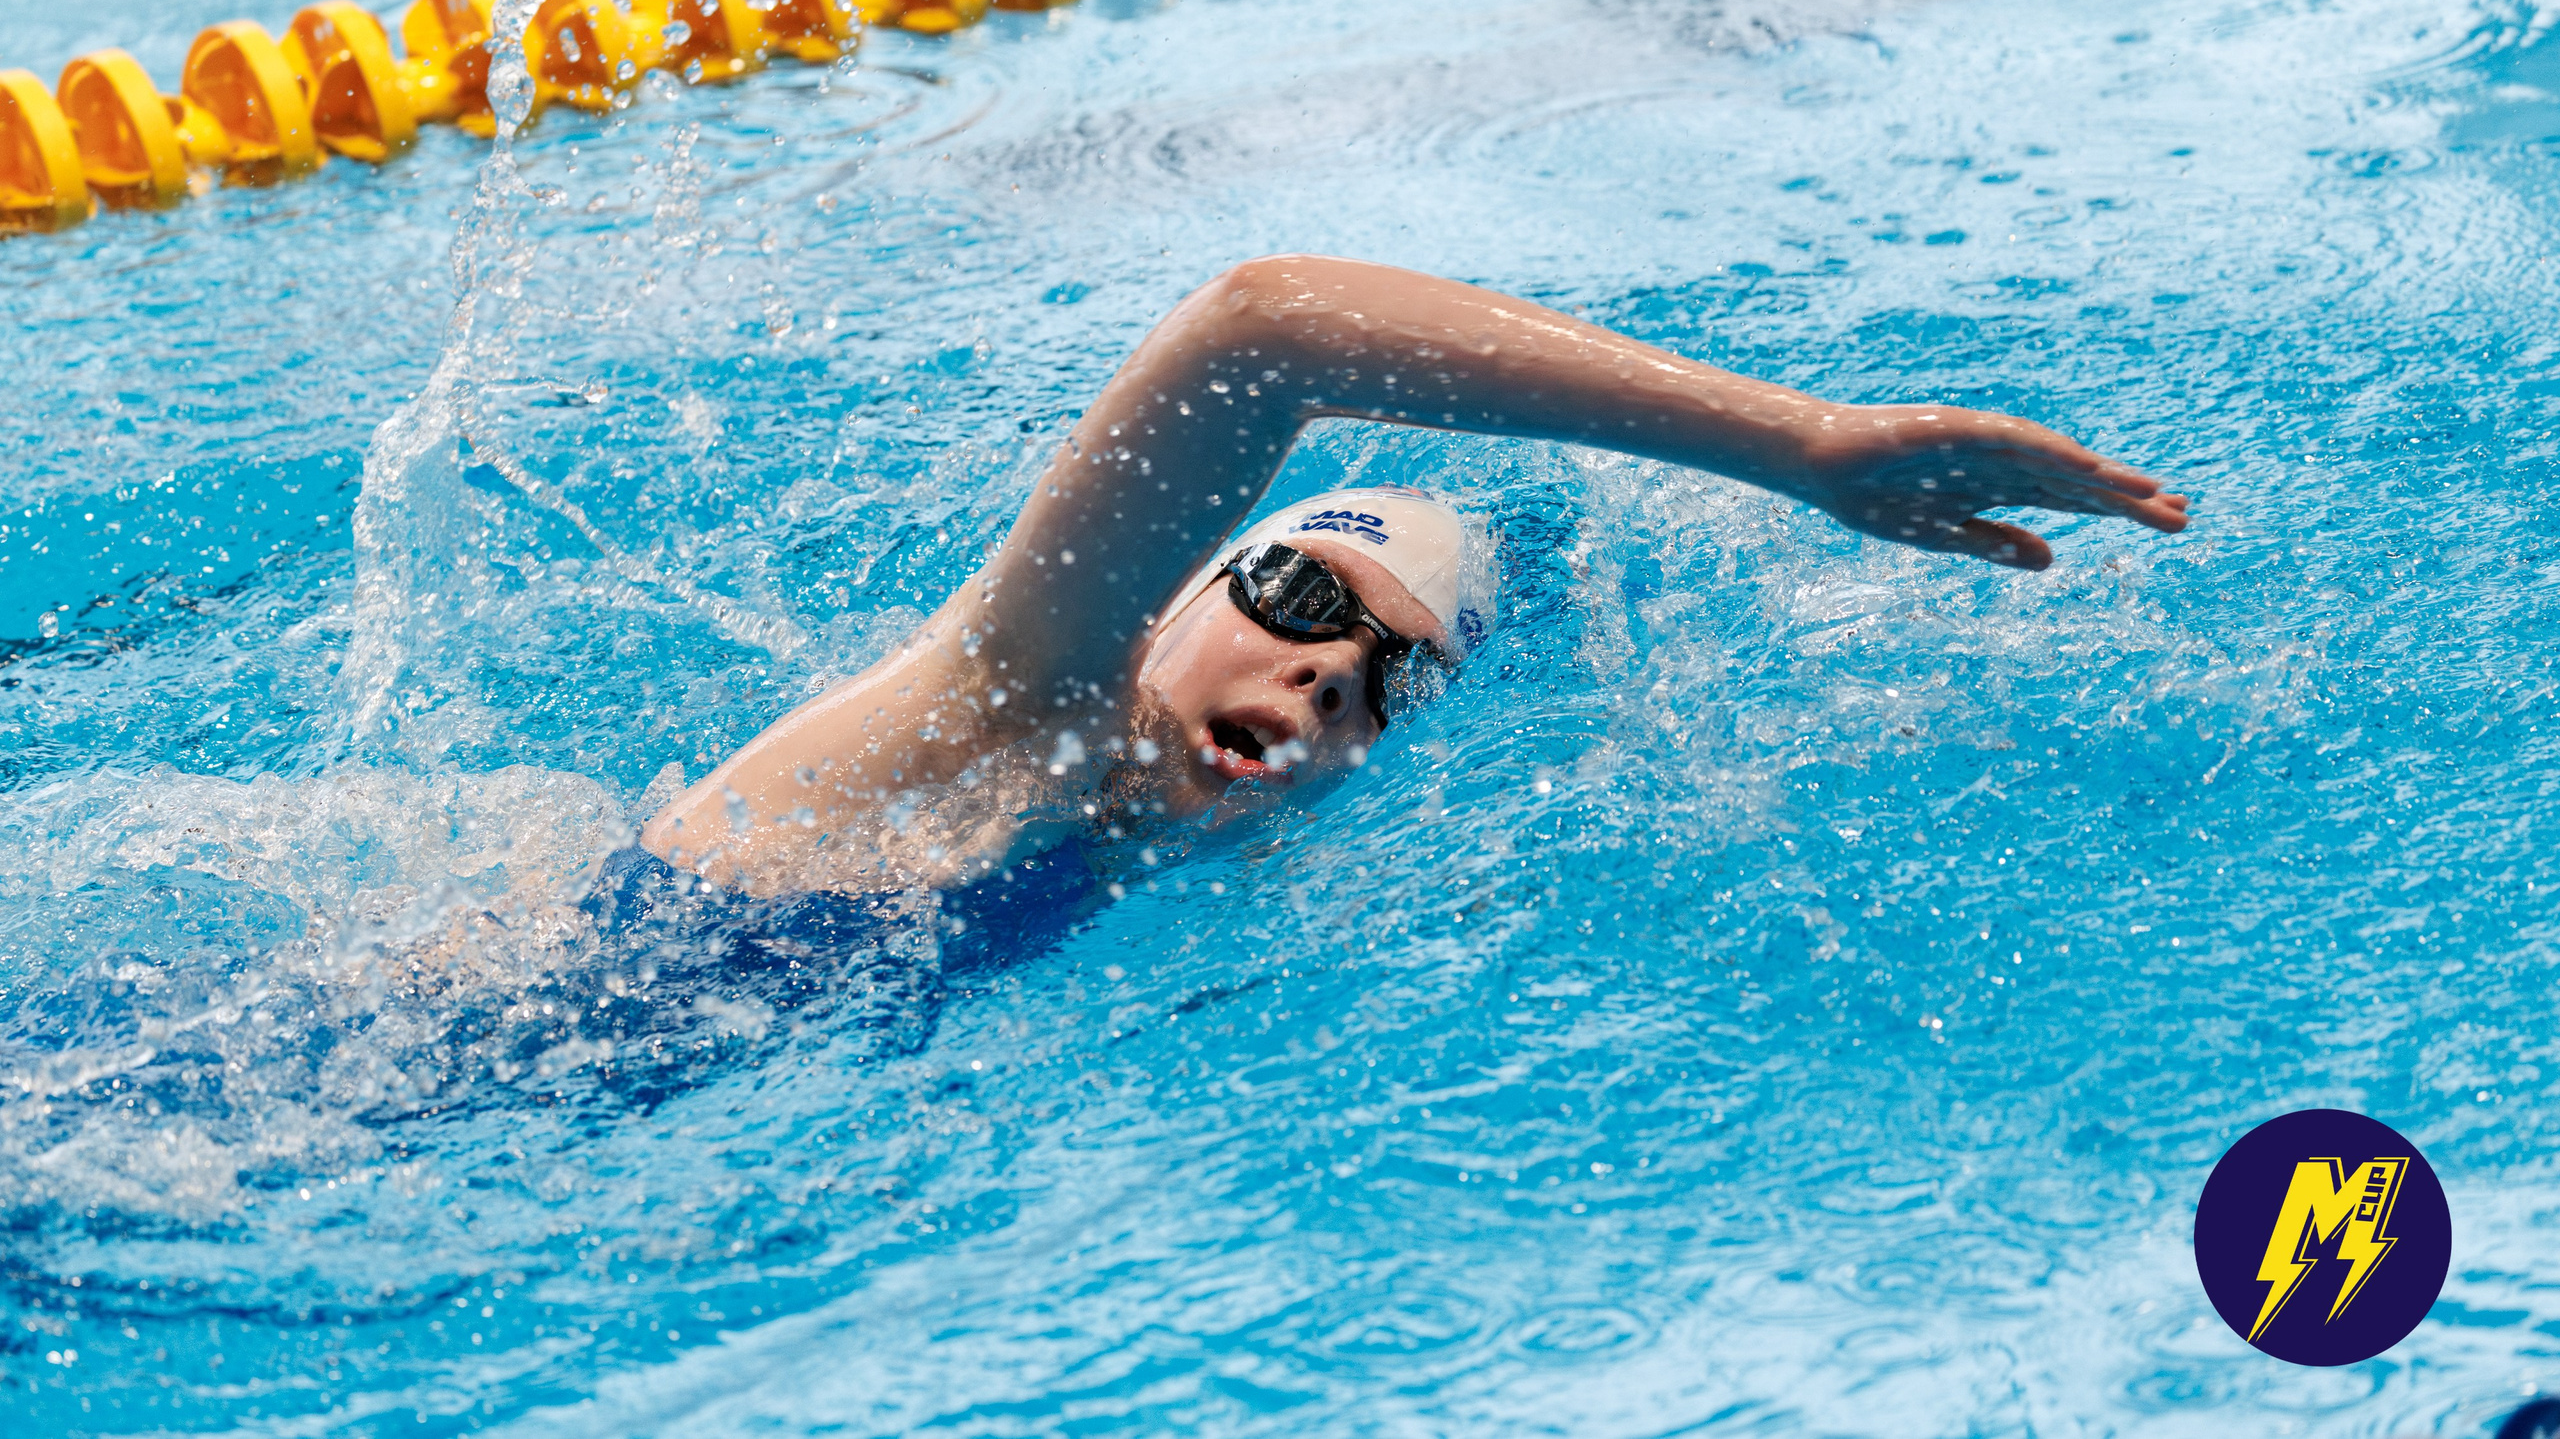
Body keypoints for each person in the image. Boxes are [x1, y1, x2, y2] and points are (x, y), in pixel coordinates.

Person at [636, 254, 2187, 900]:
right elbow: (1269, 327)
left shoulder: (1123, 864)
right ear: (1174, 600)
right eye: (1304, 604)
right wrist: (1806, 446)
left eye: (1389, 676)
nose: (1325, 673)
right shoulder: (1016, 707)